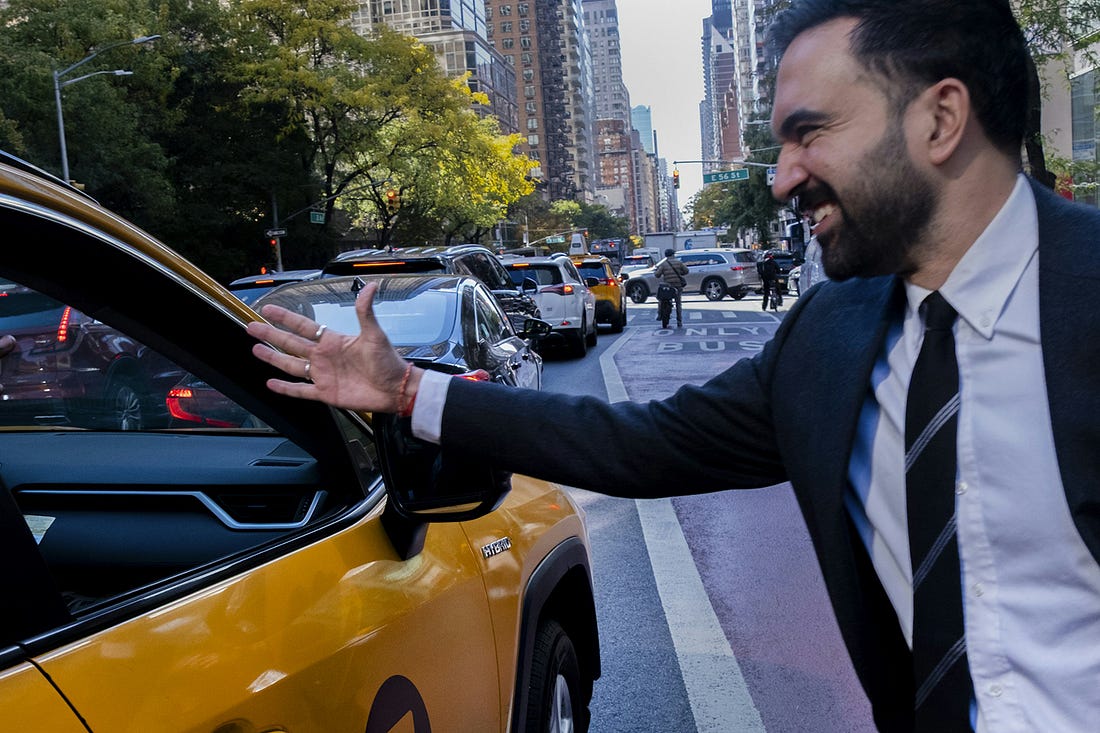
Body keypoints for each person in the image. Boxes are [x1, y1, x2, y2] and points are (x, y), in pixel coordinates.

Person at [247, 2, 1100, 730]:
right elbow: (638, 443)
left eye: (811, 133)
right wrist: (405, 391)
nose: (780, 178)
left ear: (940, 121)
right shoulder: (827, 340)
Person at [652, 248, 688, 327]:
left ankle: (659, 314)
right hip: (677, 286)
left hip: (667, 287)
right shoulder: (679, 263)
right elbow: (686, 271)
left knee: (661, 299)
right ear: (673, 254)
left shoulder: (664, 264)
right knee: (678, 303)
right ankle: (679, 321)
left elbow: (657, 275)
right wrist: (680, 273)